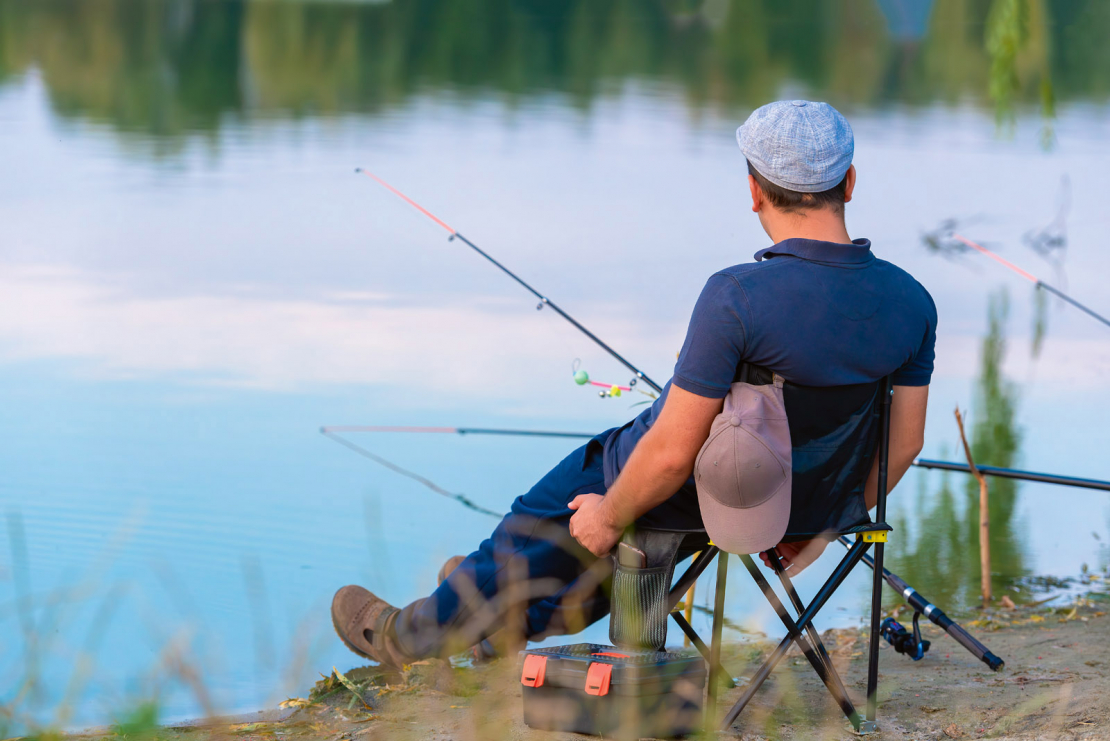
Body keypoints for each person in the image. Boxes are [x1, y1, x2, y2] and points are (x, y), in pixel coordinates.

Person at [331, 100, 936, 667]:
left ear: (753, 191)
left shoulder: (737, 296)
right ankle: (503, 619)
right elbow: (904, 444)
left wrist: (609, 513)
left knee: (543, 518)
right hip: (802, 508)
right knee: (614, 525)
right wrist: (820, 524)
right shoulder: (913, 302)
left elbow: (672, 454)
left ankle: (404, 634)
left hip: (705, 490)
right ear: (850, 183)